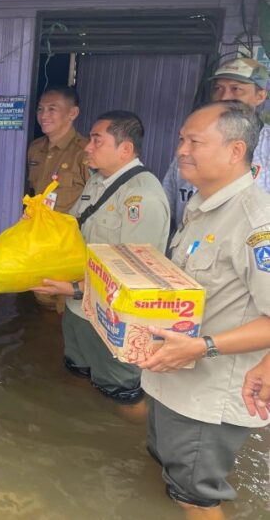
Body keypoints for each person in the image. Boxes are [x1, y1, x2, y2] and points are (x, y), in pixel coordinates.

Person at [140, 101, 270, 512]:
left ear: (235, 150)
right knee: (169, 478)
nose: (181, 149)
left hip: (207, 396)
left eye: (195, 141)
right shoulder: (201, 206)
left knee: (195, 496)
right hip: (172, 380)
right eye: (181, 139)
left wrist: (203, 346)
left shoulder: (256, 225)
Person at [32, 110, 169, 403]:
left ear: (125, 149)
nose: (87, 147)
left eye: (97, 141)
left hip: (114, 320)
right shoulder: (98, 181)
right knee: (77, 373)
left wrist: (73, 289)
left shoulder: (141, 198)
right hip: (80, 309)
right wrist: (39, 220)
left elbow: (134, 277)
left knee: (117, 391)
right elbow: (74, 227)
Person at [162, 57, 269, 229]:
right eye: (218, 88)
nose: (224, 96)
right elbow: (167, 204)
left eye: (236, 89)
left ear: (260, 96)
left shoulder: (267, 145)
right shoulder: (190, 143)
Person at [26, 86, 91, 311]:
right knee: (42, 299)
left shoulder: (85, 153)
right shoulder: (35, 149)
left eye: (52, 109)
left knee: (69, 307)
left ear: (72, 114)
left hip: (70, 248)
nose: (44, 116)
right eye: (41, 109)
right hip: (42, 243)